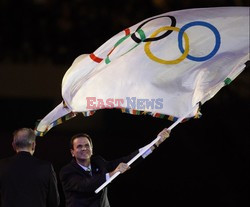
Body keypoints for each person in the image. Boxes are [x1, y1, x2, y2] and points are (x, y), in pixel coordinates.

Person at [59, 128, 170, 207]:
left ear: (92, 149)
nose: (84, 149)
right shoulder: (66, 171)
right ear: (72, 152)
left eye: (87, 145)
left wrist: (156, 143)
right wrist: (114, 172)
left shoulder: (99, 162)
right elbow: (87, 185)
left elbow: (128, 160)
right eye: (79, 146)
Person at [0, 128, 60, 207]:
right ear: (33, 145)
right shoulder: (46, 167)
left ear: (13, 145)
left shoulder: (2, 165)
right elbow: (54, 202)